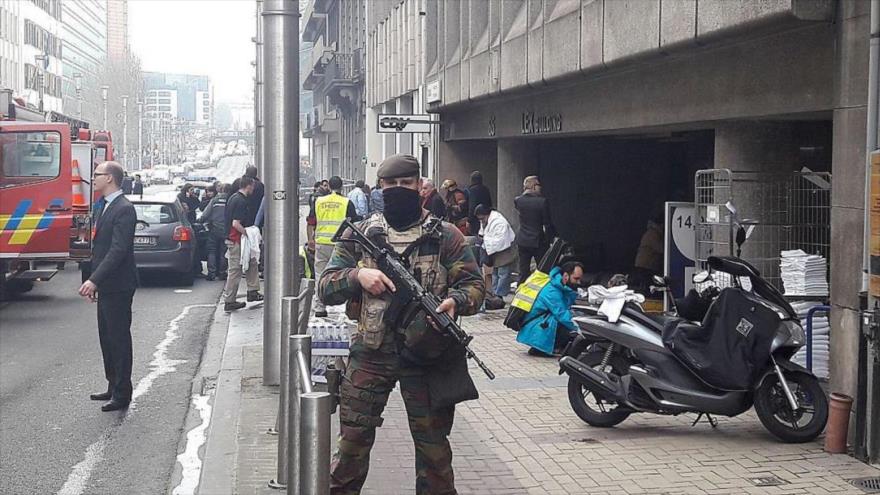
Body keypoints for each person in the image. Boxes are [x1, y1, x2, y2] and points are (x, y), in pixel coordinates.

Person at [319, 153, 484, 494]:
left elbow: (474, 286)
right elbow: (326, 285)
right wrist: (358, 275)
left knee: (434, 454)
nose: (398, 189)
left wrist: (457, 301)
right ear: (380, 187)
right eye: (390, 184)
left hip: (428, 355)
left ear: (421, 186)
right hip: (371, 353)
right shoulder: (361, 234)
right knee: (351, 446)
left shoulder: (445, 236)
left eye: (406, 183)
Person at [78, 161, 138, 412]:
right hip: (106, 285)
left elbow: (117, 250)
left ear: (110, 179)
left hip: (119, 284)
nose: (94, 178)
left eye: (97, 175)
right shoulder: (105, 206)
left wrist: (94, 280)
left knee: (118, 338)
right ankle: (112, 384)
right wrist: (93, 281)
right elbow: (99, 250)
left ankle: (123, 392)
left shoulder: (124, 209)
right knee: (106, 337)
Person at [308, 175, 357, 317]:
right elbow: (354, 224)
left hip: (322, 242)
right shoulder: (347, 202)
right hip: (340, 244)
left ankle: (319, 308)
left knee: (320, 274)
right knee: (343, 275)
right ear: (341, 187)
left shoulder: (319, 201)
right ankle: (342, 307)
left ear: (328, 186)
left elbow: (311, 222)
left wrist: (311, 239)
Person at [516, 261, 584, 357]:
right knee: (567, 324)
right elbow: (562, 314)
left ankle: (552, 346)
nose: (578, 282)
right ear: (565, 276)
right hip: (536, 328)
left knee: (571, 319)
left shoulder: (558, 286)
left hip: (537, 325)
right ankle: (543, 347)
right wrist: (582, 328)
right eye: (576, 279)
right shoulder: (552, 291)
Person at [222, 175, 263, 311]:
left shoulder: (234, 197)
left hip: (236, 239)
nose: (254, 189)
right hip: (237, 239)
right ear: (249, 186)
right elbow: (235, 223)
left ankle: (253, 291)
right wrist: (248, 233)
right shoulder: (241, 201)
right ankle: (230, 300)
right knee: (235, 270)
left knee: (252, 262)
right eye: (253, 186)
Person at [514, 175, 556, 284]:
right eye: (538, 185)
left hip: (522, 240)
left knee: (523, 271)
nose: (540, 187)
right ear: (533, 186)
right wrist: (550, 240)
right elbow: (547, 223)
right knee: (542, 270)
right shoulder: (542, 202)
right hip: (538, 240)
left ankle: (520, 293)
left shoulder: (518, 200)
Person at [475, 204, 517, 298]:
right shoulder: (485, 221)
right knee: (495, 273)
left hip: (504, 250)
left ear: (487, 215)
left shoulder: (499, 222)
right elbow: (483, 233)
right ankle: (494, 293)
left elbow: (501, 239)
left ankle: (499, 294)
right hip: (493, 251)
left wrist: (485, 241)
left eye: (482, 218)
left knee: (503, 273)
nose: (481, 221)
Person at [199, 183, 229, 281]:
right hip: (226, 230)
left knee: (211, 251)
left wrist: (199, 221)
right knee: (223, 252)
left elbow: (205, 214)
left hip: (214, 229)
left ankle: (211, 273)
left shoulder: (214, 201)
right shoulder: (230, 200)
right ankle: (222, 273)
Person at [466, 171, 492, 236]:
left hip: (476, 218)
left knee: (476, 236)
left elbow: (472, 206)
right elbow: (490, 203)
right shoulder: (486, 189)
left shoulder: (472, 190)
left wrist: (469, 220)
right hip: (486, 216)